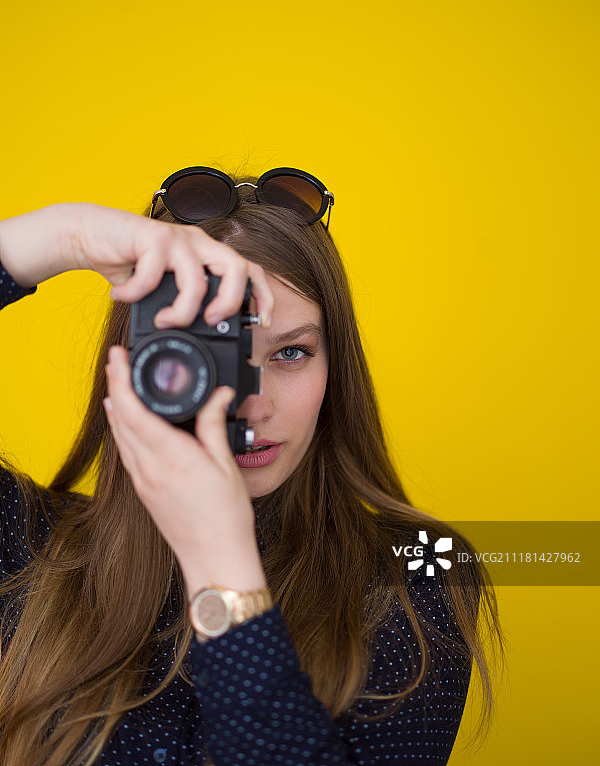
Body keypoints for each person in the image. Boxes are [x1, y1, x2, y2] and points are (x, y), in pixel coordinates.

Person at [0, 167, 504, 766]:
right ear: (138, 366)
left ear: (334, 370)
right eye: (215, 355)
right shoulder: (31, 547)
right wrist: (65, 236)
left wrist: (222, 565)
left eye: (291, 352)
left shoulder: (418, 574)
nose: (252, 403)